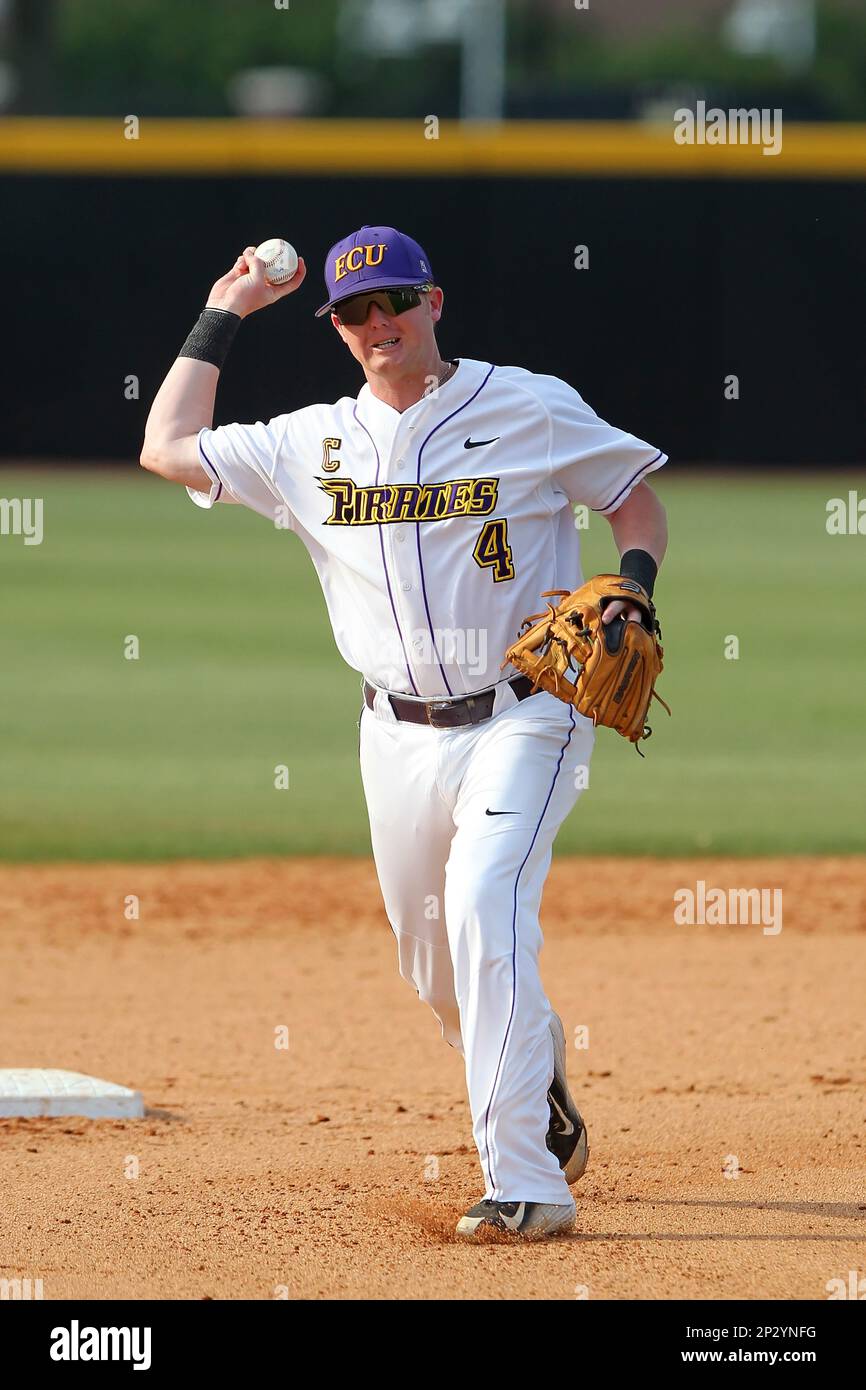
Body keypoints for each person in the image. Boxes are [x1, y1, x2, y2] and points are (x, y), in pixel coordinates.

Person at [140, 225, 668, 1240]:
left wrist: (631, 587)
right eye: (353, 311)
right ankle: (538, 1073)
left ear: (434, 301)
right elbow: (164, 447)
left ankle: (525, 1181)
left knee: (483, 905)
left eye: (393, 302)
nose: (376, 323)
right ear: (336, 329)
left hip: (526, 713)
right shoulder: (308, 443)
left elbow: (632, 502)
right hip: (391, 736)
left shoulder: (528, 404)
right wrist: (224, 312)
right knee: (432, 966)